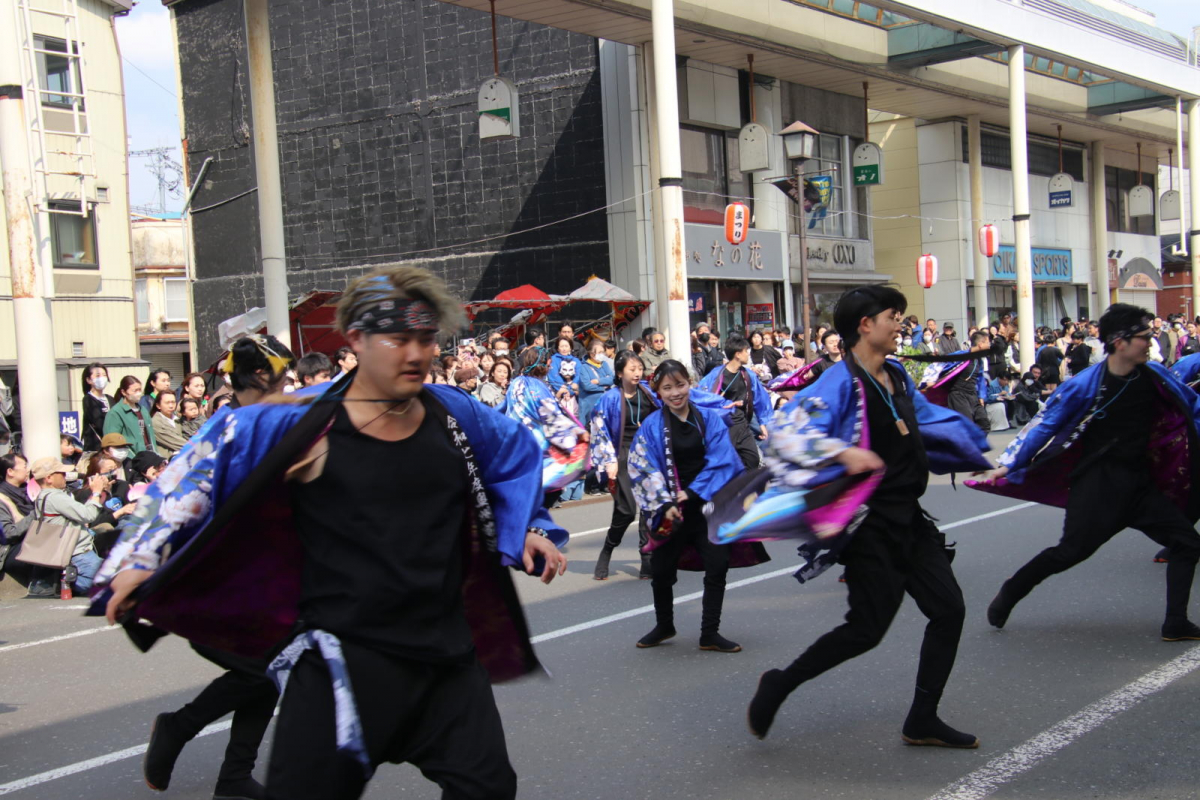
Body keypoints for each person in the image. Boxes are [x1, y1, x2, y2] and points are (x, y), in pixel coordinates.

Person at [93, 266, 567, 800]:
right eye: (398, 338)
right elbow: (197, 471)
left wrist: (525, 526)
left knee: (489, 791)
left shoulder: (452, 414)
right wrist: (141, 558)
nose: (416, 354)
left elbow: (513, 457)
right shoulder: (302, 423)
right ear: (358, 340)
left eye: (426, 338)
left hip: (448, 665)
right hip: (346, 668)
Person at [746, 285, 990, 747]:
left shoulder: (897, 373)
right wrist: (840, 451)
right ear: (865, 325)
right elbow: (785, 434)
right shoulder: (839, 382)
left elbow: (926, 421)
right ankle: (779, 682)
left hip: (910, 518)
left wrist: (976, 449)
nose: (901, 325)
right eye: (893, 317)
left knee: (949, 609)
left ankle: (922, 717)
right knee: (866, 631)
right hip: (868, 524)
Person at [125, 336, 295, 800]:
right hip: (218, 587)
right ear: (260, 379)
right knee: (261, 671)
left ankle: (234, 777)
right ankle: (178, 729)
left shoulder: (266, 428)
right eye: (284, 380)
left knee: (266, 674)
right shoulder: (223, 435)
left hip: (255, 585)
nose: (290, 389)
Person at [974, 304, 1200, 642]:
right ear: (1119, 341)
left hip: (1139, 485)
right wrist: (1008, 465)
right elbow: (1045, 424)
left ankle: (1175, 623)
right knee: (1069, 553)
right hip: (1097, 486)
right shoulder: (1086, 384)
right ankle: (1011, 591)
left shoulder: (1155, 376)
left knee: (1187, 543)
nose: (1149, 343)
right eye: (1144, 337)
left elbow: (1192, 404)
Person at [627, 360, 768, 652]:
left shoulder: (709, 419)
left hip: (707, 506)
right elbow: (641, 466)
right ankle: (664, 624)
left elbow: (723, 459)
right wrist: (665, 501)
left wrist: (691, 492)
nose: (675, 392)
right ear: (658, 391)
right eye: (667, 387)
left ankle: (709, 633)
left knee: (717, 566)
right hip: (671, 509)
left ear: (689, 384)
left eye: (680, 384)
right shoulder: (652, 426)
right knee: (662, 571)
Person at [589, 350, 658, 580]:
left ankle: (647, 559)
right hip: (623, 455)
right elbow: (598, 428)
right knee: (627, 510)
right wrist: (609, 460)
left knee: (649, 507)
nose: (638, 373)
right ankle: (608, 548)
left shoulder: (648, 392)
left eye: (640, 368)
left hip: (648, 454)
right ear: (619, 373)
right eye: (632, 369)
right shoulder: (610, 398)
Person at [506, 346, 589, 508]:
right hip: (536, 447)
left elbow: (503, 409)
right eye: (548, 364)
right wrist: (578, 432)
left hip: (517, 445)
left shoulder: (515, 383)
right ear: (541, 365)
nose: (551, 367)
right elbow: (552, 415)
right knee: (541, 500)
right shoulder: (538, 386)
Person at [20, 457, 108, 597]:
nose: (65, 476)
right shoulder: (55, 497)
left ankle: (67, 582)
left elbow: (80, 513)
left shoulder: (43, 496)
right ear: (49, 478)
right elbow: (88, 515)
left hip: (69, 553)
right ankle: (68, 582)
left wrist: (97, 496)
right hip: (78, 554)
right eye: (61, 473)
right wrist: (96, 492)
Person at [697, 336, 772, 469]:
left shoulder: (749, 375)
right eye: (746, 351)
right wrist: (724, 405)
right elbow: (701, 397)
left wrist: (763, 423)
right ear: (737, 354)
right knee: (725, 462)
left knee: (752, 459)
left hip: (742, 423)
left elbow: (761, 399)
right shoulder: (715, 375)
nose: (748, 354)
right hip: (724, 425)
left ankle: (743, 487)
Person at [104, 376, 157, 455]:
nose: (138, 393)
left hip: (149, 454)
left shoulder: (143, 410)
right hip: (130, 458)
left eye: (139, 390)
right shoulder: (116, 412)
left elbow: (150, 435)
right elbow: (112, 440)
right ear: (124, 392)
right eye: (135, 390)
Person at [577, 339, 614, 425]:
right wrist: (603, 387)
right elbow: (587, 385)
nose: (602, 355)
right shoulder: (584, 367)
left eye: (603, 352)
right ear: (591, 353)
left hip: (604, 405)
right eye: (600, 352)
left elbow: (612, 379)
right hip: (590, 407)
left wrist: (598, 381)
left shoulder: (604, 364)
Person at [547, 336, 583, 417]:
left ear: (570, 347)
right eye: (561, 346)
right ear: (558, 348)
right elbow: (554, 376)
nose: (564, 348)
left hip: (575, 394)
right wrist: (564, 390)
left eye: (566, 346)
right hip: (559, 392)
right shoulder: (553, 359)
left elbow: (579, 375)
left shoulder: (576, 360)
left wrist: (572, 390)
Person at [82, 362, 111, 451]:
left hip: (112, 445)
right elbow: (98, 422)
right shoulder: (88, 400)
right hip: (96, 447)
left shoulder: (110, 399)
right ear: (88, 380)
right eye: (98, 375)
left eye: (104, 375)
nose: (102, 378)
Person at [152, 391, 188, 458]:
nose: (171, 406)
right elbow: (176, 442)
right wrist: (196, 446)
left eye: (173, 402)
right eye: (167, 403)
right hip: (169, 460)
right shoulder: (156, 422)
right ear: (158, 405)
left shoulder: (178, 418)